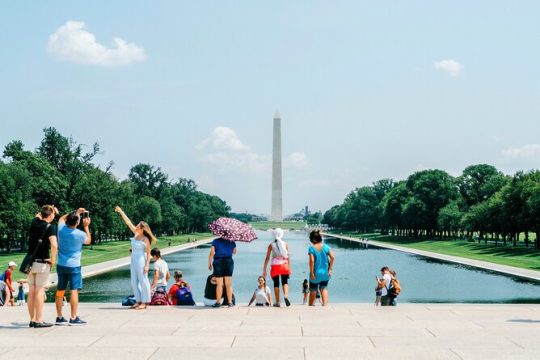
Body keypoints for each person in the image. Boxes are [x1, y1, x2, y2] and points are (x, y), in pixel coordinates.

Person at [54, 208, 91, 326]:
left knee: (60, 291)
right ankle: (73, 317)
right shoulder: (80, 234)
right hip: (74, 266)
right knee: (74, 290)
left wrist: (75, 212)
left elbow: (61, 218)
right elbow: (88, 241)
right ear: (78, 222)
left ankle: (59, 317)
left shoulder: (60, 229)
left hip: (61, 265)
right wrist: (86, 226)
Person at [115, 206, 156, 310]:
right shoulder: (136, 234)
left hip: (141, 260)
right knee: (134, 281)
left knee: (143, 280)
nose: (136, 226)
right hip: (133, 259)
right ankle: (138, 300)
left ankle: (145, 301)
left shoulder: (145, 239)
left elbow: (148, 254)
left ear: (142, 229)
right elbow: (128, 222)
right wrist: (121, 212)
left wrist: (147, 265)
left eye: (138, 226)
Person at [27, 205, 59, 328]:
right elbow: (54, 245)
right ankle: (39, 320)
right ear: (50, 215)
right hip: (42, 263)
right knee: (40, 290)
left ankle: (32, 319)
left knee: (31, 291)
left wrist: (50, 209)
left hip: (30, 263)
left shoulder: (34, 223)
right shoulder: (50, 227)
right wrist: (53, 260)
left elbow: (38, 215)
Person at [262, 228, 291, 307]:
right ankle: (285, 296)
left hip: (275, 266)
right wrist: (289, 267)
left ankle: (278, 301)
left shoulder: (271, 245)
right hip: (284, 265)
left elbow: (267, 258)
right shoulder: (285, 244)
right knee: (285, 281)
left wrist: (264, 269)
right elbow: (287, 257)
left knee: (276, 283)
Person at [308, 230, 335, 306]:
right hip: (325, 273)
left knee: (313, 290)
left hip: (315, 273)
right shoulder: (326, 247)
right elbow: (333, 257)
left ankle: (311, 305)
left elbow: (312, 260)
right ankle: (325, 305)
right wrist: (330, 269)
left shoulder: (311, 248)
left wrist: (312, 272)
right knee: (323, 288)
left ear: (313, 239)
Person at [208, 237, 236, 307]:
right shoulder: (232, 241)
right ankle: (230, 302)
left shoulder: (215, 241)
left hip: (218, 262)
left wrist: (209, 263)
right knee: (228, 284)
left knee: (219, 284)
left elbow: (212, 252)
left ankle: (218, 303)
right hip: (229, 262)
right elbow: (234, 252)